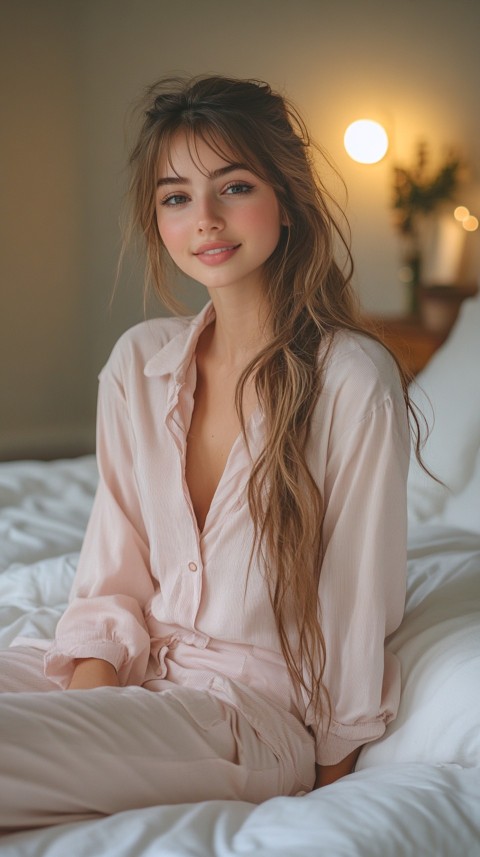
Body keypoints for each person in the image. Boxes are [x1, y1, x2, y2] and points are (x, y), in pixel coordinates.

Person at [0, 75, 412, 830]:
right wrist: (94, 710)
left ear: (286, 199)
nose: (207, 218)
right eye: (176, 196)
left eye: (235, 185)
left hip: (245, 718)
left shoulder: (352, 379)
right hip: (131, 673)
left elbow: (356, 610)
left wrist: (332, 785)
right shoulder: (137, 364)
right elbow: (111, 575)